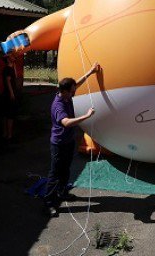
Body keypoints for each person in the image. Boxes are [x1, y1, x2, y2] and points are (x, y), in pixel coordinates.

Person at [43, 62, 101, 217]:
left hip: (68, 142)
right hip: (59, 144)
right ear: (64, 91)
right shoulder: (58, 105)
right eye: (72, 92)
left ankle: (62, 193)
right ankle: (48, 203)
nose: (74, 94)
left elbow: (77, 83)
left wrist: (90, 72)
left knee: (66, 169)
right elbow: (66, 122)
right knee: (55, 173)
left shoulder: (67, 94)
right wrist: (87, 116)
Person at [1, 55, 19, 143]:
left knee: (7, 113)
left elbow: (15, 76)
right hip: (8, 93)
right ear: (8, 59)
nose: (13, 57)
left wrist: (14, 65)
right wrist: (11, 93)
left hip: (10, 93)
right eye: (11, 56)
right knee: (9, 114)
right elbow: (8, 81)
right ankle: (9, 134)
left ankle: (6, 133)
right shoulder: (6, 69)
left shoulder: (11, 67)